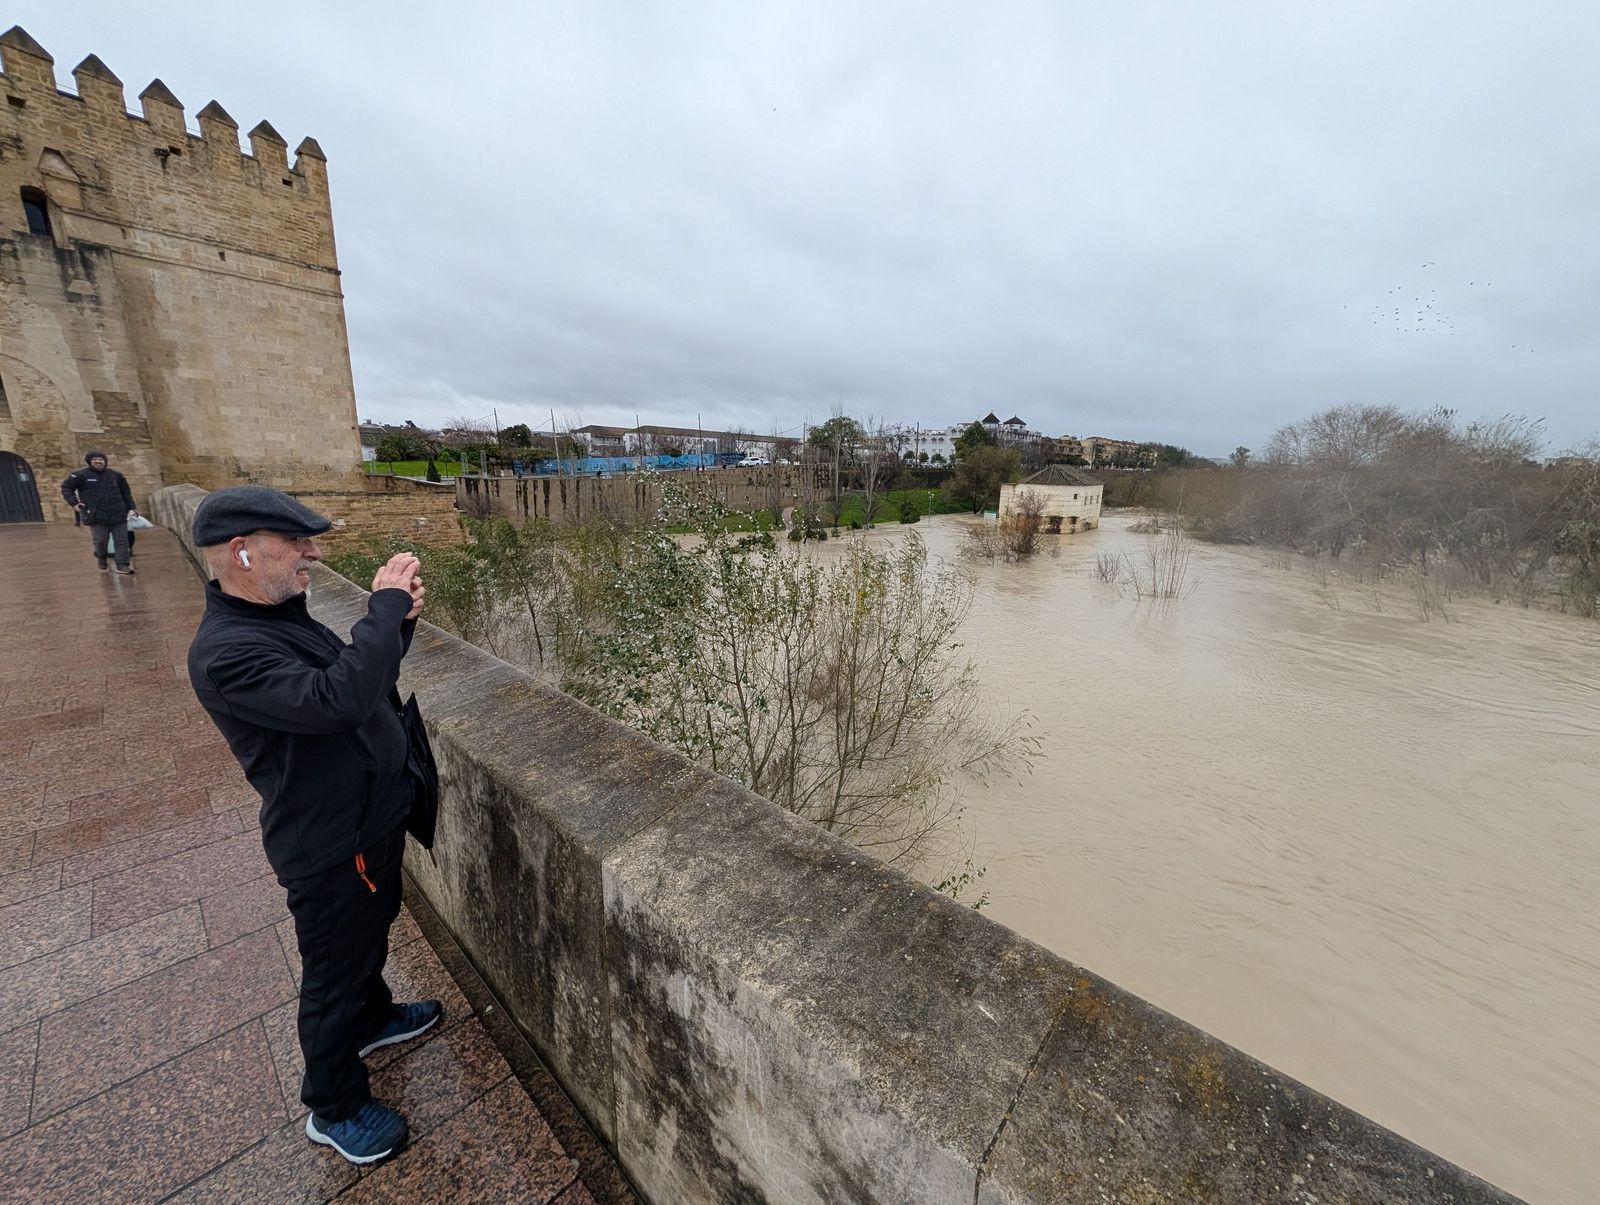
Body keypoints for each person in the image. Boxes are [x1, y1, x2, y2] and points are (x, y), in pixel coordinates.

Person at [185, 485, 438, 1166]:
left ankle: (374, 1018)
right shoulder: (225, 652)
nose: (314, 554)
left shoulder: (279, 615)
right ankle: (334, 1104)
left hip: (368, 819)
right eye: (297, 543)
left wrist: (398, 626)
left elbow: (357, 673)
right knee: (334, 968)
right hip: (329, 845)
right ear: (242, 550)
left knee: (373, 926)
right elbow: (336, 701)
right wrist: (381, 605)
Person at [60, 450, 136, 574]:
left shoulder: (116, 475)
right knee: (101, 541)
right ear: (90, 461)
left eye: (100, 459)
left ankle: (122, 565)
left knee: (122, 541)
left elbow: (126, 493)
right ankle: (101, 556)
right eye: (94, 459)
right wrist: (74, 503)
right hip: (96, 515)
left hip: (118, 513)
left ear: (105, 461)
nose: (98, 461)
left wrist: (132, 508)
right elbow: (66, 488)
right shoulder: (80, 475)